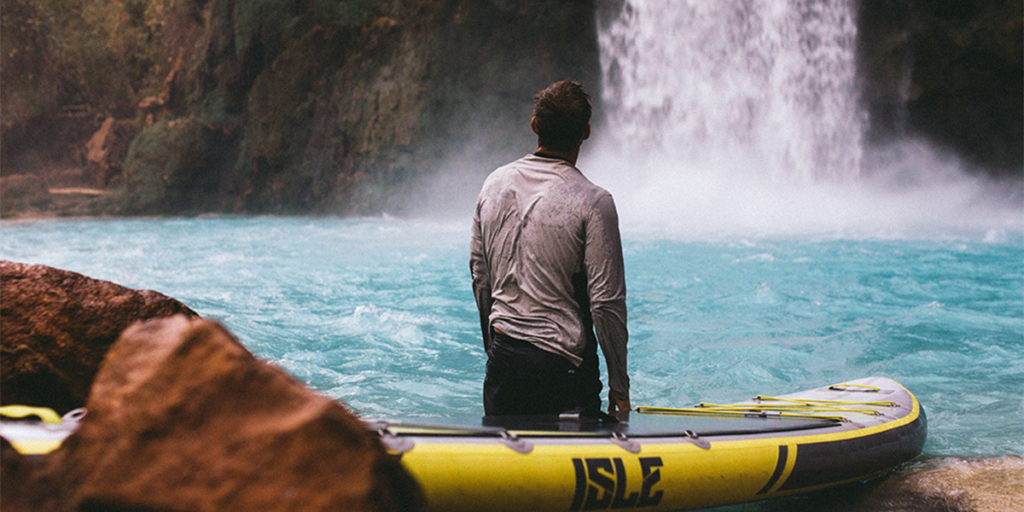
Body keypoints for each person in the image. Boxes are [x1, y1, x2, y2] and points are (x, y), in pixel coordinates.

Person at [470, 80, 630, 418]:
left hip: (503, 362)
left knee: (507, 466)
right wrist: (620, 385)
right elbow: (605, 303)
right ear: (586, 132)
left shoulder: (493, 184)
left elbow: (480, 277)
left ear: (534, 126)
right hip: (563, 370)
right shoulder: (593, 201)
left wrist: (494, 347)